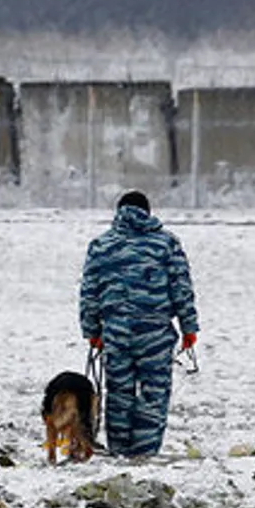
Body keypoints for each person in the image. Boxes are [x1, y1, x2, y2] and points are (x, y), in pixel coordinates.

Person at [79, 190, 199, 458]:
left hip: (116, 333)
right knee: (153, 396)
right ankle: (144, 453)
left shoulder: (101, 245)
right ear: (148, 212)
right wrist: (189, 328)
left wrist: (92, 331)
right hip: (155, 334)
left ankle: (120, 451)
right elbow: (181, 288)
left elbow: (89, 293)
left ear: (118, 212)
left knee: (119, 394)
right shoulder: (166, 244)